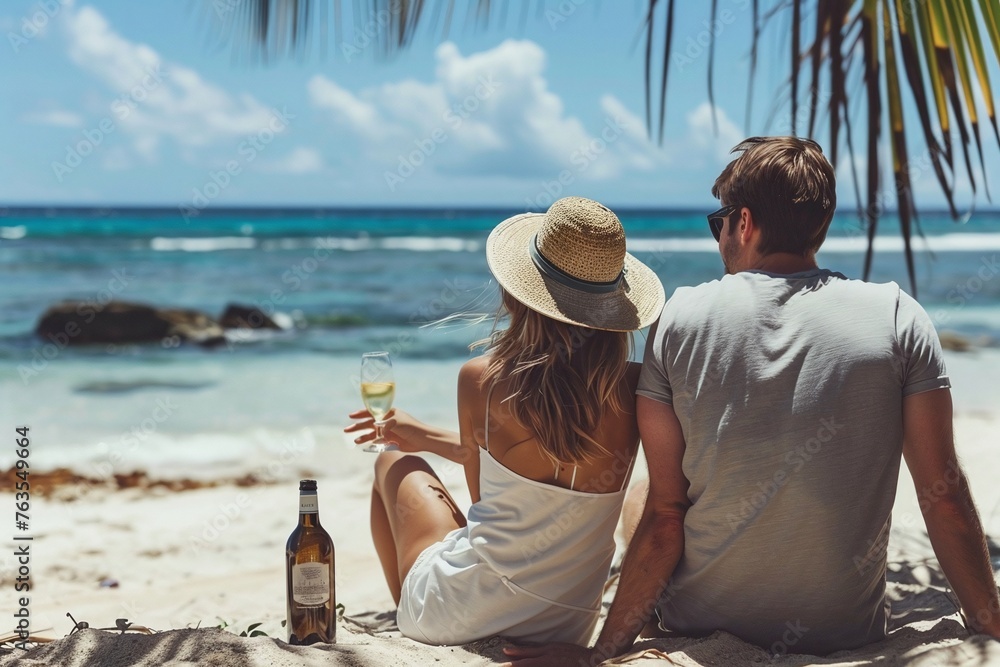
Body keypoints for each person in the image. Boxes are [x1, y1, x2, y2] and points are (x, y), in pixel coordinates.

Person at [504, 137, 1000, 665]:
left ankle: (645, 613)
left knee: (651, 490)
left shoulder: (683, 317)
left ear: (744, 222)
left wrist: (604, 650)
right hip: (844, 632)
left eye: (719, 224)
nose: (720, 239)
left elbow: (667, 517)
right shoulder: (898, 316)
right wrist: (990, 624)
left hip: (700, 623)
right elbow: (940, 495)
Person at [345, 196, 666, 645]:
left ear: (516, 293)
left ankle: (409, 620)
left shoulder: (481, 380)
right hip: (568, 625)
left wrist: (421, 443)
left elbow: (485, 503)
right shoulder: (637, 388)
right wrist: (431, 438)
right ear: (612, 308)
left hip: (457, 613)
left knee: (391, 464)